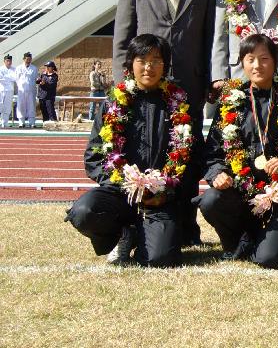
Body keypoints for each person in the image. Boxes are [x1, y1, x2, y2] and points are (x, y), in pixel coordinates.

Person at [112, 0, 216, 246]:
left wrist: (211, 81)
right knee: (142, 151)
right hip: (144, 87)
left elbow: (212, 37)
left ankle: (187, 225)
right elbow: (123, 38)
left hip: (189, 85)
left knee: (186, 154)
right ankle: (133, 224)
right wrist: (122, 84)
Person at [65, 34, 197, 267]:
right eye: (142, 60)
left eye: (156, 60)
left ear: (165, 65)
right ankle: (122, 234)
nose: (149, 67)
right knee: (83, 212)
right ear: (130, 64)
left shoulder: (180, 105)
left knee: (160, 258)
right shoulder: (113, 103)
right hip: (120, 193)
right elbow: (94, 156)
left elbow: (193, 160)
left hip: (161, 198)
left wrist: (165, 191)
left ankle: (143, 235)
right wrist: (122, 184)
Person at [197, 34, 278, 268]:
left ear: (275, 61)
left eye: (264, 58)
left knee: (269, 259)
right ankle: (236, 241)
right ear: (242, 63)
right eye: (250, 59)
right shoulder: (231, 103)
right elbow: (213, 151)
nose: (257, 65)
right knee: (211, 201)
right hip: (240, 193)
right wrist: (217, 173)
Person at [15, 52, 38, 128]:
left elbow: (35, 78)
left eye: (30, 59)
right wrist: (21, 86)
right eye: (27, 59)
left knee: (31, 105)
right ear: (24, 59)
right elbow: (17, 79)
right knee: (21, 105)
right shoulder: (19, 68)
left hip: (31, 90)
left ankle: (32, 122)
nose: (29, 60)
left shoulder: (34, 68)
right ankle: (21, 122)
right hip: (22, 90)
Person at [0, 55, 15, 128]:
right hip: (1, 90)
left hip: (10, 90)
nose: (9, 62)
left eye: (10, 61)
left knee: (8, 107)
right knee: (1, 106)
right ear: (4, 61)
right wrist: (9, 78)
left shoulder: (14, 69)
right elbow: (1, 79)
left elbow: (15, 78)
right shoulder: (1, 69)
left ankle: (5, 123)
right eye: (7, 61)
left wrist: (6, 77)